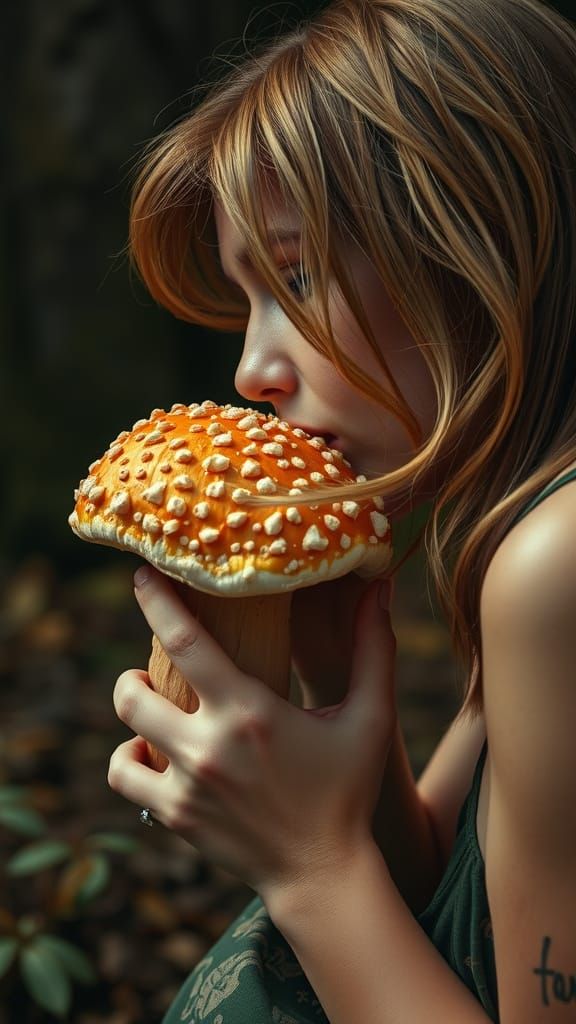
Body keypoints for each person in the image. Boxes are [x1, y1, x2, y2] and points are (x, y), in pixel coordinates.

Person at [107, 0, 576, 1020]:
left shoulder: (557, 559)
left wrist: (305, 865)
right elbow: (451, 918)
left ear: (474, 248)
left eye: (300, 276)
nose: (251, 369)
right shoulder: (518, 534)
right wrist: (330, 687)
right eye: (249, 300)